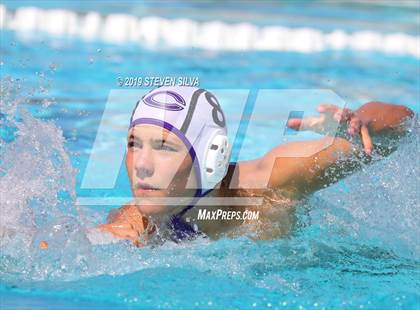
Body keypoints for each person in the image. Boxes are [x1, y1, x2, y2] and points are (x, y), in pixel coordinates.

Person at [98, 86, 414, 246]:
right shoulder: (140, 220)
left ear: (210, 156)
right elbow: (95, 242)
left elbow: (403, 121)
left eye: (164, 147)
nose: (141, 164)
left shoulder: (271, 181)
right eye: (133, 144)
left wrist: (361, 123)